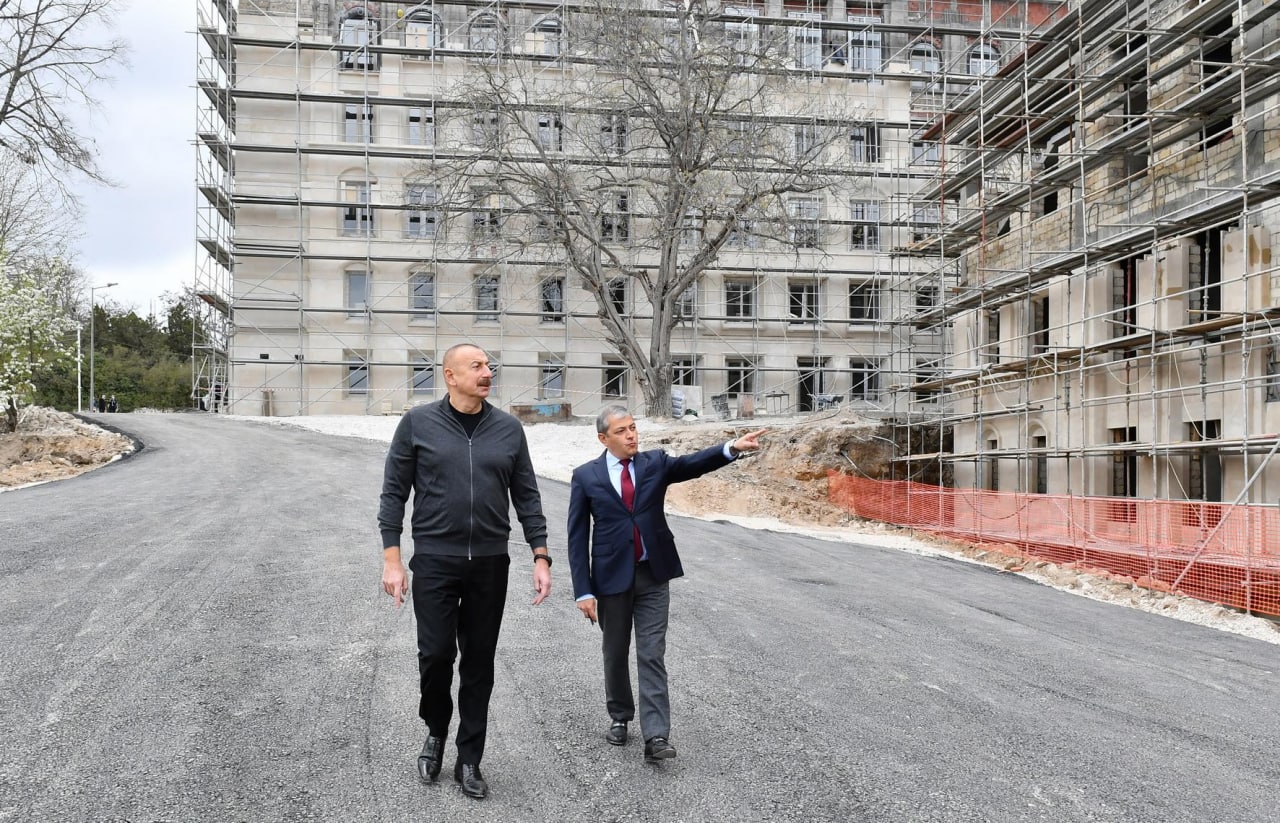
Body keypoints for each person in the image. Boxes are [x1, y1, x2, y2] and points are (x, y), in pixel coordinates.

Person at [378, 342, 552, 801]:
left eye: (489, 365)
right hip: (435, 560)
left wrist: (540, 554)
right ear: (450, 375)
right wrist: (391, 558)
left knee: (479, 664)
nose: (486, 371)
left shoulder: (509, 429)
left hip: (490, 564)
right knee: (435, 654)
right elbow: (393, 494)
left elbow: (528, 497)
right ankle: (436, 728)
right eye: (475, 365)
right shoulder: (417, 423)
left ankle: (469, 756)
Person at [567, 405, 765, 762]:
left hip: (654, 575)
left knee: (651, 654)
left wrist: (731, 448)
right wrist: (583, 590)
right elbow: (577, 538)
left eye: (633, 428)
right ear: (603, 438)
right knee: (614, 653)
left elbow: (692, 464)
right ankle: (620, 716)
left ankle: (656, 736)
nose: (632, 436)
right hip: (611, 580)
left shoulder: (654, 463)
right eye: (622, 431)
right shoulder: (586, 476)